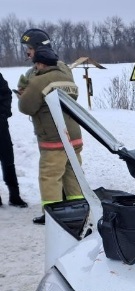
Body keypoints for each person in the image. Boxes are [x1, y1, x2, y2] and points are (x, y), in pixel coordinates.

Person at [17, 45, 84, 225]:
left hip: (54, 138)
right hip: (74, 135)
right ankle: (78, 208)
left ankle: (52, 216)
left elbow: (26, 107)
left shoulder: (38, 82)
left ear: (40, 64)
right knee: (73, 173)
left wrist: (23, 93)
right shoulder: (67, 77)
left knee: (50, 176)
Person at [0, 72, 28, 207]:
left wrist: (3, 113)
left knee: (8, 162)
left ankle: (14, 195)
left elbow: (6, 94)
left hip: (1, 127)